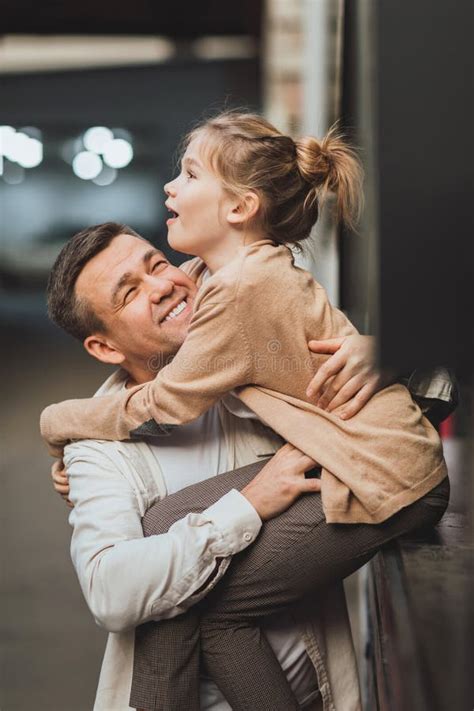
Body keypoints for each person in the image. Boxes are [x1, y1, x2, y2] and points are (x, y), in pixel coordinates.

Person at [40, 112, 449, 709]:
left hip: (381, 477)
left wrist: (56, 422)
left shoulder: (238, 294)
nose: (162, 285)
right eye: (130, 293)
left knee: (215, 613)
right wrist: (82, 442)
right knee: (168, 524)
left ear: (239, 209)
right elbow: (113, 594)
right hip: (355, 463)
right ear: (103, 346)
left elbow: (169, 401)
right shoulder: (219, 282)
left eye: (188, 174)